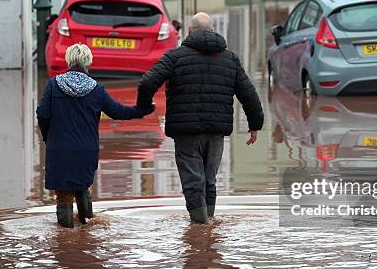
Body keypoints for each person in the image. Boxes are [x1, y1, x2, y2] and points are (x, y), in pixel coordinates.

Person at [136, 12, 264, 224]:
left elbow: (147, 82)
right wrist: (255, 125)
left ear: (189, 31)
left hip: (186, 131)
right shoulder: (230, 59)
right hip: (216, 131)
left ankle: (200, 228)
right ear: (213, 31)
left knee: (193, 181)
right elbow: (248, 94)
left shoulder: (174, 57)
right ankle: (210, 225)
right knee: (209, 181)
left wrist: (143, 107)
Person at [36, 43, 154, 228]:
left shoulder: (53, 85)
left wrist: (48, 137)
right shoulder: (96, 89)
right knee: (82, 187)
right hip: (86, 150)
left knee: (64, 195)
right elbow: (118, 112)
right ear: (88, 63)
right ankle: (87, 231)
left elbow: (42, 114)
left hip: (59, 149)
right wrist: (142, 110)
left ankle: (66, 241)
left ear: (69, 60)